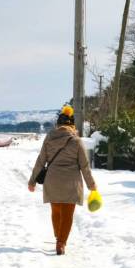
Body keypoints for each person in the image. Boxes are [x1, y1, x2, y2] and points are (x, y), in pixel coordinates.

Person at [27, 105, 97, 255]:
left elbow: (41, 161)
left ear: (58, 124)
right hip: (71, 182)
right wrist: (92, 185)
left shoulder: (49, 138)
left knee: (56, 211)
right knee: (67, 214)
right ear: (72, 125)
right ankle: (61, 242)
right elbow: (84, 166)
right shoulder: (77, 141)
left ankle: (58, 237)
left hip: (52, 181)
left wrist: (32, 181)